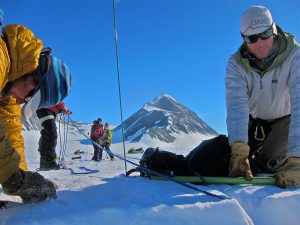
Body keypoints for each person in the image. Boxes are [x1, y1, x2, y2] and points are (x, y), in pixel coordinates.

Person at [226, 6, 300, 187]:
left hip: (284, 124)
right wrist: (238, 151)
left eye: (265, 33)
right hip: (252, 124)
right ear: (244, 39)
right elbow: (237, 106)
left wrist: (297, 158)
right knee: (217, 156)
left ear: (274, 30)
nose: (260, 43)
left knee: (267, 161)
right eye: (252, 38)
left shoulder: (295, 56)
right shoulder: (235, 64)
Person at [0, 23, 72, 202]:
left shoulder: (9, 86)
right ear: (32, 76)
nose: (20, 101)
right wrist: (14, 180)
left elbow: (11, 133)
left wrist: (21, 175)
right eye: (30, 96)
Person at [37, 102, 72, 170]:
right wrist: (64, 108)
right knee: (51, 133)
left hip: (48, 110)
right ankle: (49, 162)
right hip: (45, 109)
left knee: (46, 133)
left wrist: (61, 109)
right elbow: (56, 97)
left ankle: (44, 163)